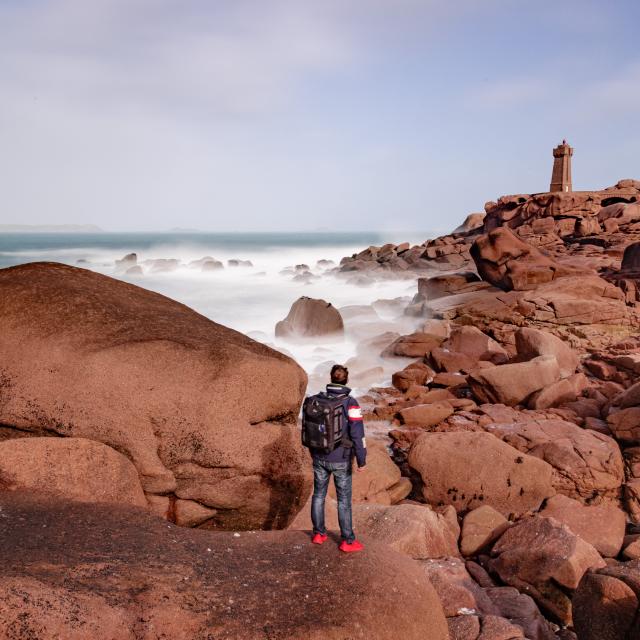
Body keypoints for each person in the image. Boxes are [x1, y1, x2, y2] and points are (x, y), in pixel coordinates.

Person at [310, 364, 367, 552]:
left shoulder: (318, 399)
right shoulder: (350, 402)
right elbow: (357, 433)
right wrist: (361, 459)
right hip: (341, 459)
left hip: (319, 455)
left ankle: (318, 534)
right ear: (346, 379)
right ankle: (347, 541)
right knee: (344, 501)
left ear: (331, 378)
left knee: (318, 495)